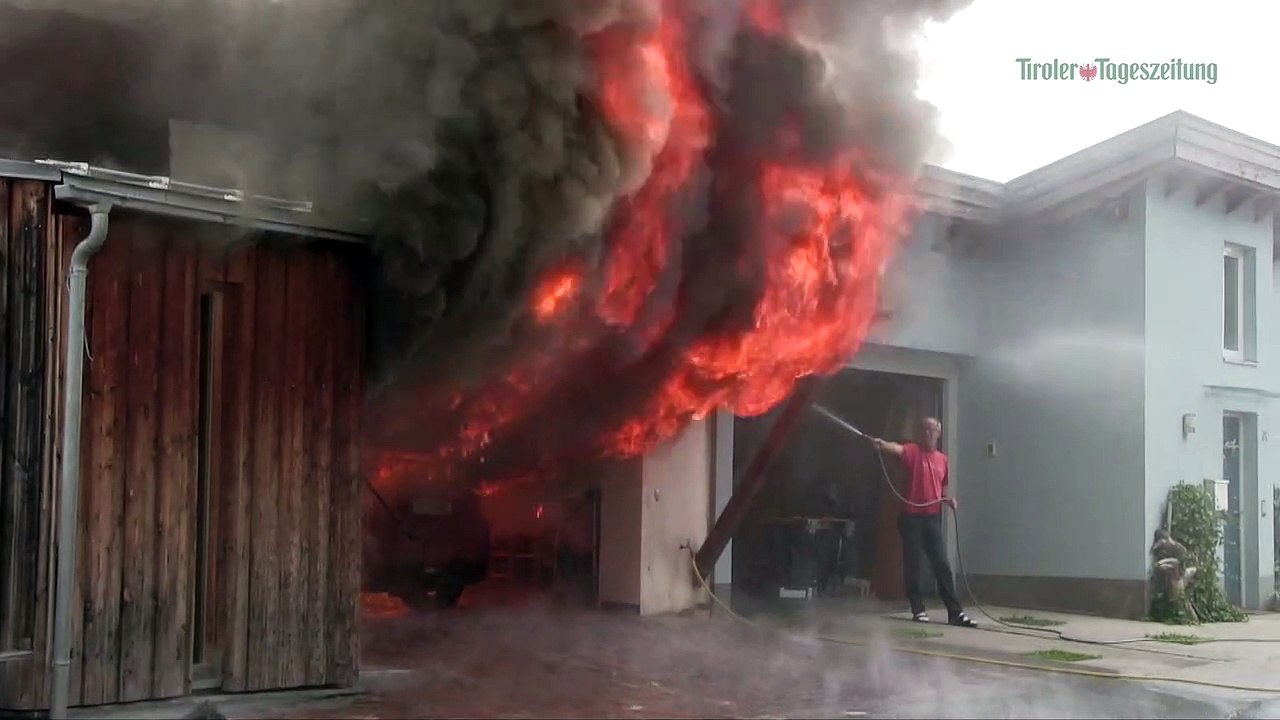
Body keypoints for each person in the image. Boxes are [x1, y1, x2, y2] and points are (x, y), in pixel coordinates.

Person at [872, 417, 977, 627]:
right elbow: (897, 449)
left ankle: (955, 613)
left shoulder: (942, 460)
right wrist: (882, 444)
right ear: (921, 433)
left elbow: (943, 487)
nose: (928, 433)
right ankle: (917, 609)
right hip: (911, 518)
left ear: (939, 433)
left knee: (942, 565)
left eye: (933, 430)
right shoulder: (912, 452)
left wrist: (949, 499)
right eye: (925, 430)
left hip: (931, 518)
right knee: (914, 564)